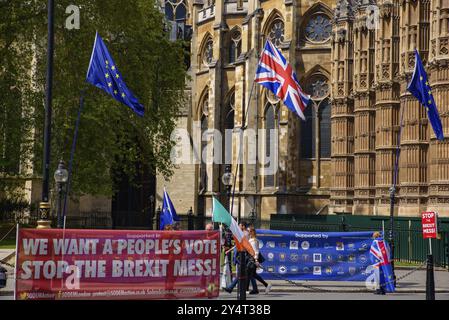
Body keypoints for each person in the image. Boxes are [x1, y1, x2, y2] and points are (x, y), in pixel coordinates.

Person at [223, 221, 250, 293]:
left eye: (240, 226)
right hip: (240, 254)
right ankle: (237, 288)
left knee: (241, 273)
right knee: (243, 273)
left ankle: (231, 287)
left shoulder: (245, 234)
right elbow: (237, 245)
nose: (238, 227)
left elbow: (243, 244)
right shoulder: (242, 233)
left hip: (243, 255)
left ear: (243, 226)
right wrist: (229, 251)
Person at [247, 226, 271, 294]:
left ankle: (247, 289)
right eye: (248, 231)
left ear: (252, 232)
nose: (248, 233)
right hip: (252, 258)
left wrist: (256, 260)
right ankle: (265, 285)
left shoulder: (254, 240)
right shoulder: (252, 239)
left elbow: (256, 251)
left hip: (253, 259)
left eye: (249, 231)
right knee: (253, 274)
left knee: (250, 274)